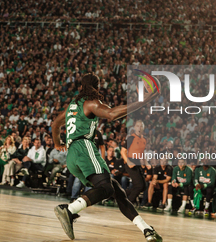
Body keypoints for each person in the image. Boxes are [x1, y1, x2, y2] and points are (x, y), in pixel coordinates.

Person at [52, 73, 162, 241]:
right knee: (107, 188)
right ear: (97, 87)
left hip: (72, 155)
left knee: (117, 190)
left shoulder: (72, 105)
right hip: (84, 147)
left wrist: (58, 142)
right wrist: (143, 101)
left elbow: (55, 124)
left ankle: (146, 229)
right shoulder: (91, 102)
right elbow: (111, 114)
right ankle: (69, 209)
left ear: (82, 86)